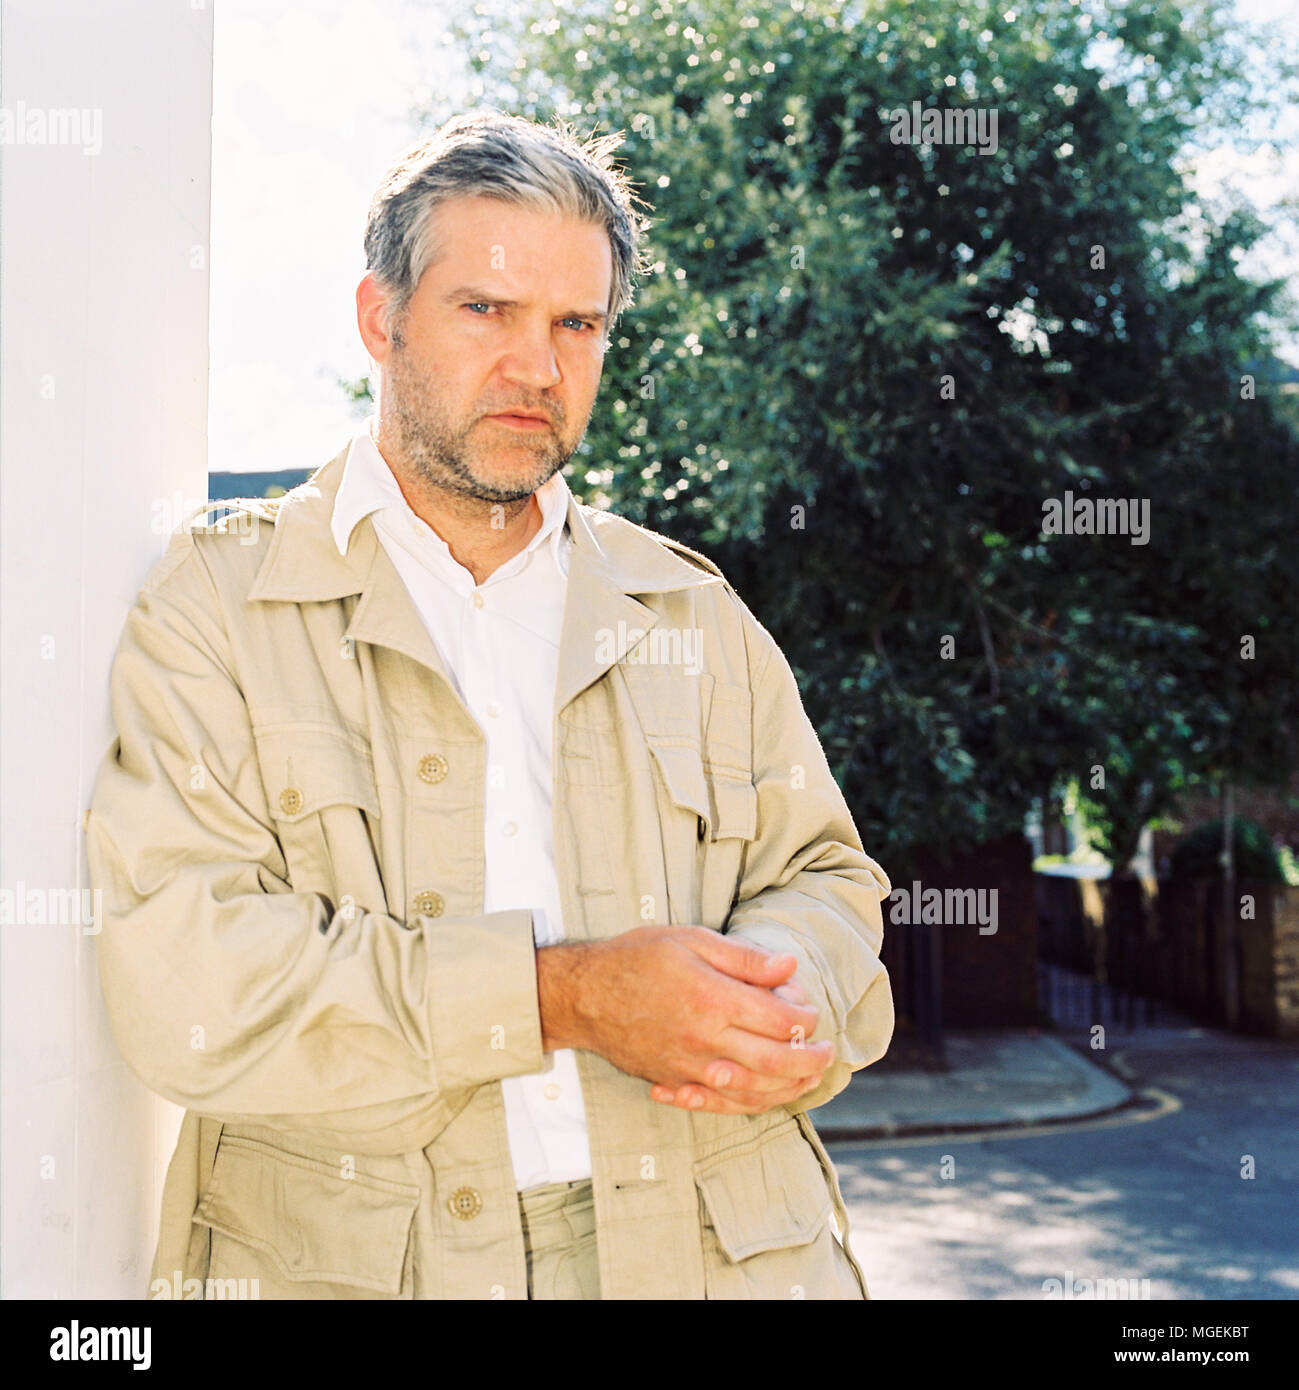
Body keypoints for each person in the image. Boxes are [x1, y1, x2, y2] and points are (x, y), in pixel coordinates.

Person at [86, 110, 894, 1301]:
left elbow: (826, 881)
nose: (539, 368)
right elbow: (189, 988)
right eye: (486, 310)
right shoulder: (217, 605)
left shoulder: (691, 611)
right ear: (380, 319)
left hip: (722, 1258)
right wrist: (568, 997)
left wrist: (763, 991)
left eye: (577, 324)